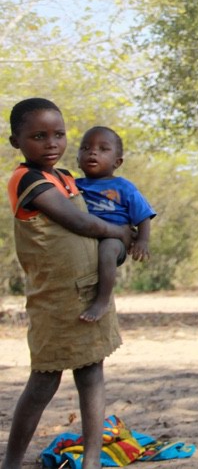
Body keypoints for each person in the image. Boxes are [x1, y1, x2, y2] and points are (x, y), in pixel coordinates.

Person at [3, 99, 133, 469]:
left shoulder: (65, 178)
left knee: (92, 372)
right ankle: (12, 461)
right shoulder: (27, 180)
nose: (51, 143)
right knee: (44, 378)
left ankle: (92, 459)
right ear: (17, 141)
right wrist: (118, 232)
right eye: (39, 136)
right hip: (57, 298)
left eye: (58, 135)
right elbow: (81, 224)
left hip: (88, 291)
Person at [75, 126, 155, 323]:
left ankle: (102, 301)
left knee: (108, 249)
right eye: (85, 148)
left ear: (117, 162)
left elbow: (143, 215)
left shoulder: (124, 187)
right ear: (77, 159)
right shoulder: (74, 185)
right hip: (85, 238)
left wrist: (142, 241)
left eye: (103, 149)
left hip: (115, 239)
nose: (93, 152)